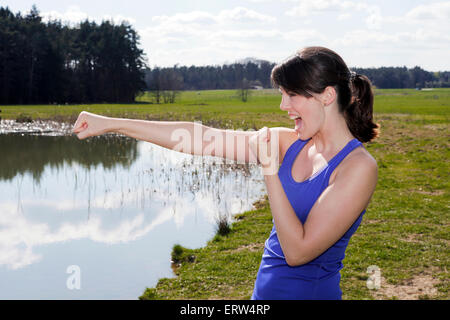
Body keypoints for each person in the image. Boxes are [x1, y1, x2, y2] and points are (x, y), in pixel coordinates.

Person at [72, 46, 379, 300]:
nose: (283, 104)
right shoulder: (292, 143)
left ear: (327, 96)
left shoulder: (357, 167)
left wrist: (269, 170)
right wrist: (111, 123)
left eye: (293, 94)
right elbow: (200, 138)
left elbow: (297, 252)